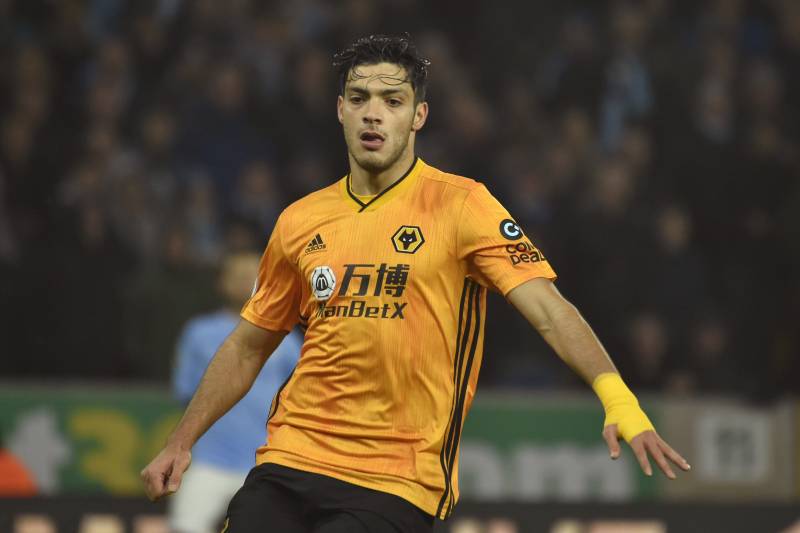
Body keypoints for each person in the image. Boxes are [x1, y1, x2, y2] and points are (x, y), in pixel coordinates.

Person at [142, 34, 690, 533]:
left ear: (419, 115)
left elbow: (548, 308)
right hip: (292, 457)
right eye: (358, 99)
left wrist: (617, 398)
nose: (373, 114)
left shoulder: (463, 205)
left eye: (392, 101)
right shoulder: (301, 220)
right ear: (340, 109)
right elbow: (247, 344)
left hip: (397, 476)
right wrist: (182, 440)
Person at [167, 251, 301, 533]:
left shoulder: (286, 337)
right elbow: (184, 393)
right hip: (208, 461)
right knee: (184, 527)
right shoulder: (198, 332)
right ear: (222, 283)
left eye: (253, 276)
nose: (245, 283)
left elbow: (300, 396)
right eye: (238, 276)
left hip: (263, 464)